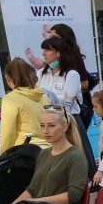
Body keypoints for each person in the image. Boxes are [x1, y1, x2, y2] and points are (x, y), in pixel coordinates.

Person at [38, 37, 96, 172]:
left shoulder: (71, 74)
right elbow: (38, 95)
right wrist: (56, 97)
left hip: (69, 119)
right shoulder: (42, 73)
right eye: (43, 50)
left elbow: (69, 98)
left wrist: (49, 96)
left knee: (78, 154)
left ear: (58, 53)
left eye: (47, 50)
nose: (43, 53)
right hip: (49, 120)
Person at [48, 24, 94, 132]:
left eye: (55, 37)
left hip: (74, 108)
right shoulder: (49, 65)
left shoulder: (74, 58)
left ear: (65, 38)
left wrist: (71, 85)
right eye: (50, 37)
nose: (52, 40)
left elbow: (85, 84)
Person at [0, 58, 50, 153]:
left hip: (25, 153)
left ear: (8, 77)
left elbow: (8, 133)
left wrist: (3, 155)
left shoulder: (10, 99)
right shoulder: (44, 97)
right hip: (48, 149)